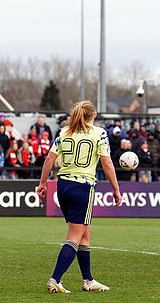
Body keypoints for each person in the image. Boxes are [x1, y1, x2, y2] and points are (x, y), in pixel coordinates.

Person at [37, 101, 122, 293]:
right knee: (74, 236)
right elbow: (107, 163)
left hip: (63, 186)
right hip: (82, 187)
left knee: (85, 233)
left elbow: (50, 159)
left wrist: (42, 184)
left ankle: (88, 280)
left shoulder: (64, 132)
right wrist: (116, 189)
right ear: (93, 115)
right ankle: (55, 279)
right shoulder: (98, 133)